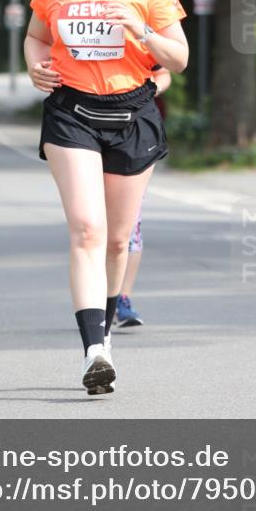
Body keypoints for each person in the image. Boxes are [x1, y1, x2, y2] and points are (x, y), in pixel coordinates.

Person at [25, 0, 188, 395]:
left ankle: (108, 330)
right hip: (71, 113)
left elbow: (178, 59)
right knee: (88, 230)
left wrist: (142, 30)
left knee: (119, 240)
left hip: (133, 113)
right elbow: (36, 36)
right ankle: (93, 348)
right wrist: (34, 64)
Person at [116, 65, 172, 328]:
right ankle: (98, 296)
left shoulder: (140, 33)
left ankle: (122, 298)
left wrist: (146, 92)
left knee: (130, 227)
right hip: (90, 133)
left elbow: (164, 74)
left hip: (135, 137)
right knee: (95, 228)